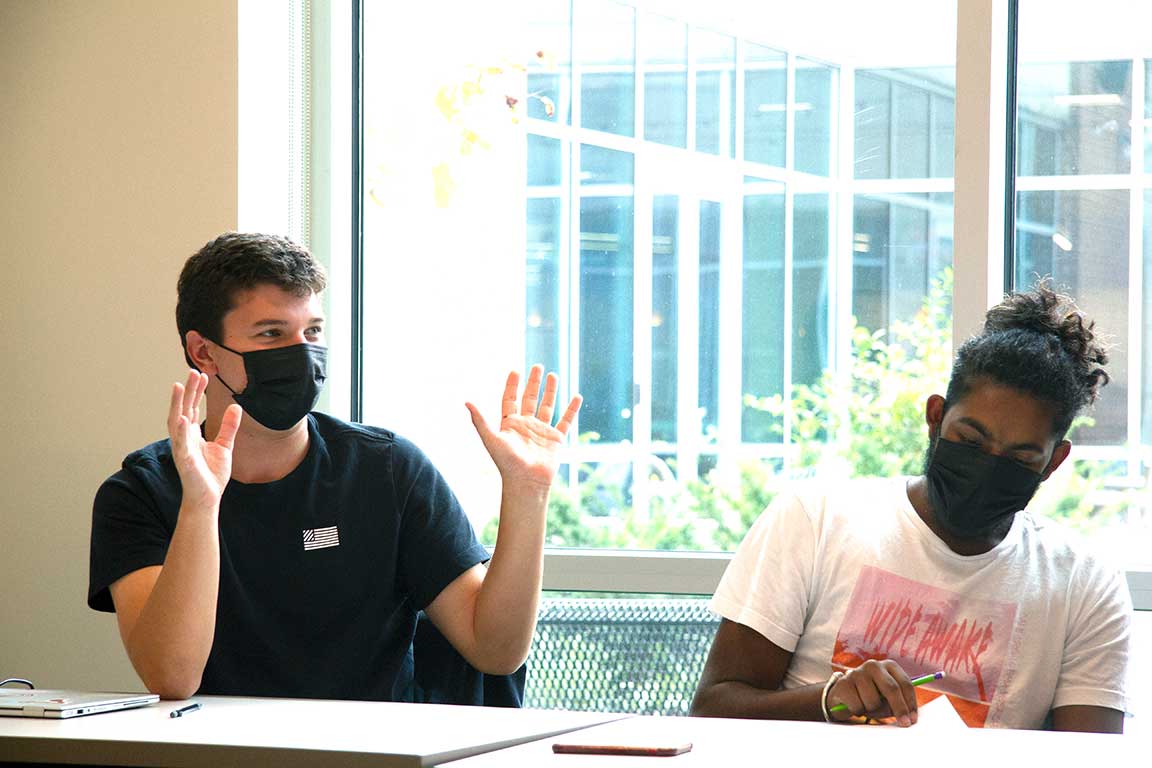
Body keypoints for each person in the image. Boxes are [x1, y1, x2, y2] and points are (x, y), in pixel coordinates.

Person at [88, 232, 581, 701]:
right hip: (222, 753)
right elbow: (172, 676)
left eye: (313, 331)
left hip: (375, 753)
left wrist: (526, 492)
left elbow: (494, 650)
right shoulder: (140, 492)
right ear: (203, 352)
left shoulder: (387, 470)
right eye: (271, 333)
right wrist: (200, 505)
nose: (302, 353)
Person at [691, 285, 1131, 732]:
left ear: (1054, 462)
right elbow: (713, 709)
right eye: (971, 441)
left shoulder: (1084, 585)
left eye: (1019, 458)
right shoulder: (815, 519)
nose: (985, 469)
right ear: (935, 417)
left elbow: (1091, 755)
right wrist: (828, 701)